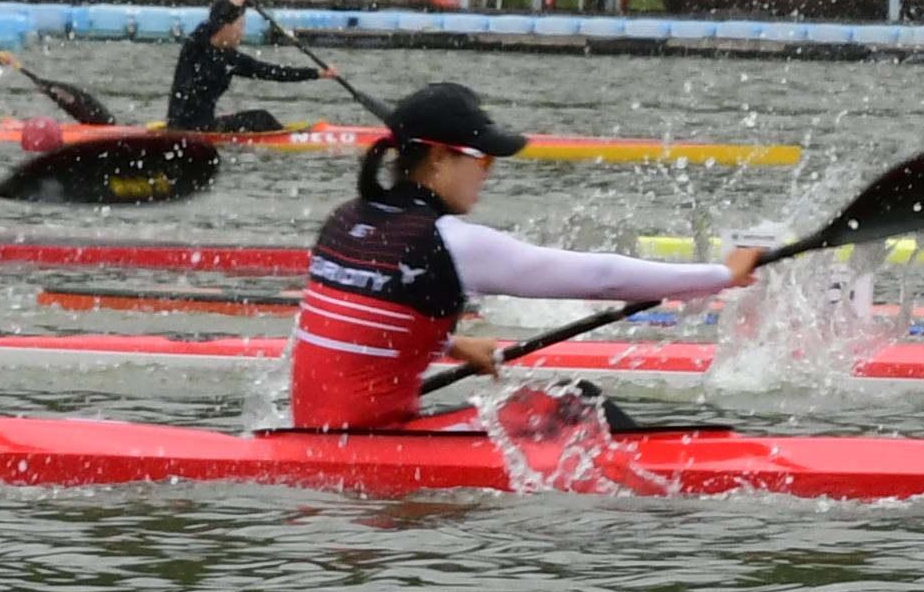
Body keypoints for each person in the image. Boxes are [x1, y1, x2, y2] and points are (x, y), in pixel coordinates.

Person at [289, 82, 766, 431]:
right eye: (483, 159)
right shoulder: (451, 240)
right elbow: (601, 278)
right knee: (579, 404)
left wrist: (451, 346)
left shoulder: (346, 217)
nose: (487, 173)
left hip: (314, 431)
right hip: (372, 440)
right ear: (437, 158)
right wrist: (722, 274)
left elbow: (370, 317)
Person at [166, 0, 331, 131]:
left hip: (205, 126)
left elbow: (269, 71)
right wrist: (232, 4)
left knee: (260, 118)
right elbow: (213, 20)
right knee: (260, 118)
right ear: (225, 26)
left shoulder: (229, 58)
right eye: (240, 26)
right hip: (183, 128)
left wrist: (316, 73)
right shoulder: (195, 48)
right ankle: (289, 138)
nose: (242, 33)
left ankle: (284, 134)